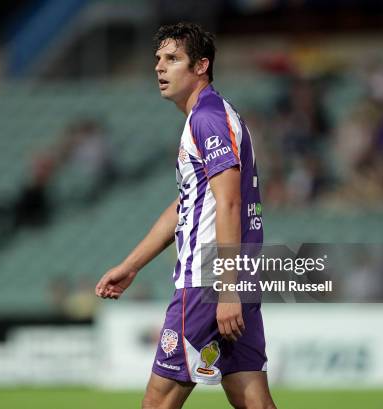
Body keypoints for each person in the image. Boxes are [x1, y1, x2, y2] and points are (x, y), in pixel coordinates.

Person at [95, 22, 276, 409]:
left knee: (157, 404)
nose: (160, 67)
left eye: (173, 59)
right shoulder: (209, 117)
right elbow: (184, 206)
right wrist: (131, 265)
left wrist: (225, 288)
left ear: (201, 66)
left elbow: (228, 203)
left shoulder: (207, 119)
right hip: (232, 277)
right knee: (254, 402)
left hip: (208, 281)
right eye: (158, 59)